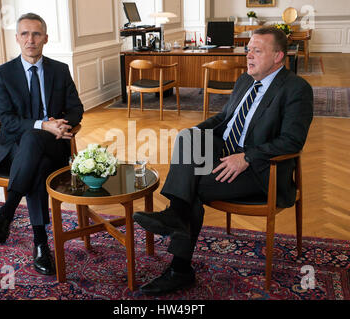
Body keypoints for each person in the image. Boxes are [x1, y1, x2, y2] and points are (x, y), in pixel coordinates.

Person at [133, 27, 313, 295]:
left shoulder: (296, 89)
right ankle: (178, 223)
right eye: (248, 49)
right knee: (187, 138)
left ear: (278, 56)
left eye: (257, 51)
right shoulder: (244, 80)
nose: (248, 56)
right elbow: (224, 120)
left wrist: (247, 157)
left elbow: (292, 141)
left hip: (260, 169)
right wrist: (195, 132)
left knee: (191, 188)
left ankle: (179, 262)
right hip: (224, 151)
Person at [0, 13, 84, 276]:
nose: (31, 39)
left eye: (36, 34)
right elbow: (7, 120)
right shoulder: (3, 74)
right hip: (17, 150)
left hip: (55, 146)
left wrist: (59, 125)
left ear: (46, 38)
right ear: (17, 38)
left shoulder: (59, 70)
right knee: (33, 152)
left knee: (34, 142)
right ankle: (41, 244)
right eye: (25, 34)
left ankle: (7, 215)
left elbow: (76, 110)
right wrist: (42, 125)